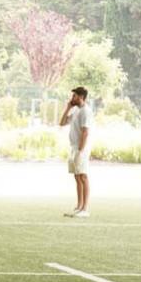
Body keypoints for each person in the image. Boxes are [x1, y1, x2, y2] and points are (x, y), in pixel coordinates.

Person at [60, 86, 94, 218]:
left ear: (81, 97)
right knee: (76, 176)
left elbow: (85, 132)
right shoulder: (76, 111)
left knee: (83, 176)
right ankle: (79, 207)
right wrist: (68, 108)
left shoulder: (86, 111)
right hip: (74, 147)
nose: (71, 98)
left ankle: (85, 209)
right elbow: (62, 122)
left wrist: (80, 150)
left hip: (81, 148)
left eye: (74, 96)